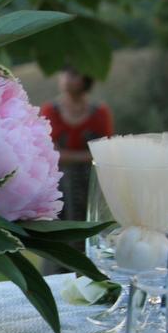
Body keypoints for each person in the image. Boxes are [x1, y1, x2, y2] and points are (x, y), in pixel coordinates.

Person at [40, 67, 114, 224]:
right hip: (59, 185)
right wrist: (88, 155)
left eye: (73, 74)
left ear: (85, 79)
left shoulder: (100, 113)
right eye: (63, 72)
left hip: (91, 183)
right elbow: (47, 152)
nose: (66, 78)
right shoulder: (50, 111)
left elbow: (108, 151)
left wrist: (65, 155)